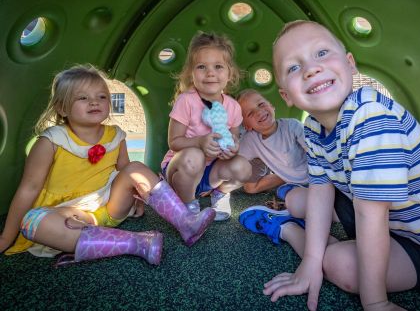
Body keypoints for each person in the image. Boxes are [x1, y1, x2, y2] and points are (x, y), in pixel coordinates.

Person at [264, 20, 420, 311]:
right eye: (294, 67)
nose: (312, 68)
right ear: (286, 96)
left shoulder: (369, 114)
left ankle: (291, 231)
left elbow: (370, 213)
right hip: (391, 223)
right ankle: (291, 225)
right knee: (300, 199)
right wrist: (309, 263)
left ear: (350, 64)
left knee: (339, 266)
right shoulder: (313, 128)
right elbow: (321, 189)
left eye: (322, 53)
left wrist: (375, 302)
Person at [0, 64, 215, 265]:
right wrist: (6, 237)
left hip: (111, 207)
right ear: (62, 108)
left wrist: (138, 199)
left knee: (135, 169)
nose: (95, 102)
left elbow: (125, 172)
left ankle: (186, 222)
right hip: (68, 214)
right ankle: (137, 242)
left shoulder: (115, 136)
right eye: (83, 97)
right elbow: (29, 188)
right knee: (33, 222)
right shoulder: (51, 141)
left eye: (102, 97)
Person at [161, 32, 252, 221]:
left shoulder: (233, 106)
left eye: (218, 66)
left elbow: (233, 139)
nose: (210, 73)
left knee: (243, 167)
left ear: (230, 73)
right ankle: (187, 204)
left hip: (210, 174)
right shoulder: (186, 101)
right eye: (202, 67)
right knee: (194, 156)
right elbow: (174, 142)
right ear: (191, 73)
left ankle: (219, 194)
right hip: (181, 170)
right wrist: (200, 142)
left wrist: (231, 150)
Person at [237, 89, 312, 251]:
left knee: (305, 203)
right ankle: (290, 220)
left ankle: (289, 220)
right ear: (247, 126)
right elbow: (234, 165)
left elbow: (314, 152)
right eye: (250, 113)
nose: (259, 112)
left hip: (315, 179)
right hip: (294, 185)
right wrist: (213, 185)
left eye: (261, 104)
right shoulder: (251, 140)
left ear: (272, 107)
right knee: (291, 199)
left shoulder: (292, 126)